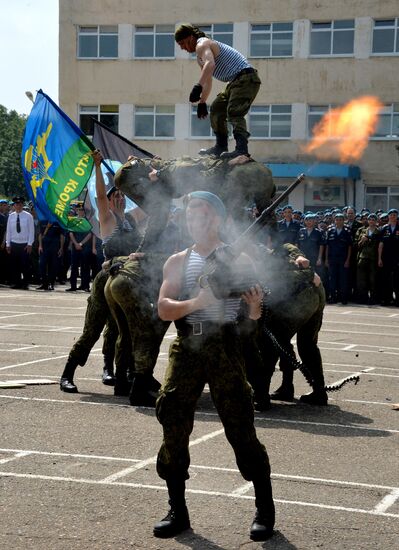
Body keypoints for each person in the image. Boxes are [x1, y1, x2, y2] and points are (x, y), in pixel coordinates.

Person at [154, 191, 275, 541]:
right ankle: (178, 510)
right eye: (190, 215)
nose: (195, 220)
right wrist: (200, 301)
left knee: (239, 425)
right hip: (187, 345)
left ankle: (264, 509)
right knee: (173, 420)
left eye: (203, 214)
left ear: (218, 219)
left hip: (224, 344)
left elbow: (249, 324)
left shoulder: (239, 260)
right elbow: (164, 308)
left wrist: (254, 309)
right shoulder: (177, 261)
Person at [60, 150, 142, 393]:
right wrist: (97, 166)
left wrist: (133, 171)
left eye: (121, 195)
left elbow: (150, 202)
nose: (118, 198)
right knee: (92, 330)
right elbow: (99, 194)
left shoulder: (132, 219)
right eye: (114, 195)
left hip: (126, 280)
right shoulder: (107, 219)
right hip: (106, 278)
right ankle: (67, 373)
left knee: (118, 331)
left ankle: (112, 371)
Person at [174, 24, 261, 159]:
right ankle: (221, 146)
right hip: (234, 82)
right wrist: (202, 101)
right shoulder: (199, 57)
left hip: (246, 78)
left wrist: (197, 87)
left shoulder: (201, 44)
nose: (182, 48)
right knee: (217, 108)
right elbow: (208, 79)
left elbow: (211, 64)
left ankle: (242, 149)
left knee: (234, 111)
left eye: (183, 43)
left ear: (191, 38)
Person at [5, 196, 35, 289]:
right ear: (14, 205)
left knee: (25, 265)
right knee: (14, 265)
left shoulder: (28, 216)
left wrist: (30, 244)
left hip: (24, 244)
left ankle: (25, 283)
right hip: (14, 243)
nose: (18, 206)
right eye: (16, 204)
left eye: (20, 204)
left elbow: (31, 231)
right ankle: (16, 283)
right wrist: (8, 244)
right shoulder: (11, 216)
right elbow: (8, 230)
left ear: (22, 205)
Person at [325, 213, 352, 304]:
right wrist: (326, 259)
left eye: (340, 219)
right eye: (337, 219)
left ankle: (343, 298)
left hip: (343, 259)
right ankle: (333, 297)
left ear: (343, 221)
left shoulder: (347, 232)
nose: (338, 221)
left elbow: (349, 247)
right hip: (332, 259)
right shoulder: (330, 231)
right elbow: (327, 246)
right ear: (334, 220)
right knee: (332, 278)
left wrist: (348, 260)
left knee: (343, 279)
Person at [355, 213, 380, 304]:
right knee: (361, 280)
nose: (371, 221)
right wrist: (362, 240)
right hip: (363, 257)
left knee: (373, 280)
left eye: (373, 220)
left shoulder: (379, 231)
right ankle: (363, 298)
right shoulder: (361, 231)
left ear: (376, 221)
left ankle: (373, 298)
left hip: (373, 258)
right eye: (370, 219)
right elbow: (356, 244)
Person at [378, 208, 399, 306]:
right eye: (391, 215)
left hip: (397, 259)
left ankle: (397, 300)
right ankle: (386, 299)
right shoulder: (384, 228)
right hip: (386, 258)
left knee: (397, 280)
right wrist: (379, 258)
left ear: (397, 216)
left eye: (395, 215)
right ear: (389, 216)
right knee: (385, 279)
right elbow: (381, 244)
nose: (393, 216)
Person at [37, 221, 65, 291]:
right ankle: (44, 283)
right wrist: (40, 245)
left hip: (55, 247)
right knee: (42, 264)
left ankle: (51, 283)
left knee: (53, 266)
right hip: (44, 247)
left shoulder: (58, 221)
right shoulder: (42, 220)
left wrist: (61, 247)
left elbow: (62, 235)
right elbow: (40, 234)